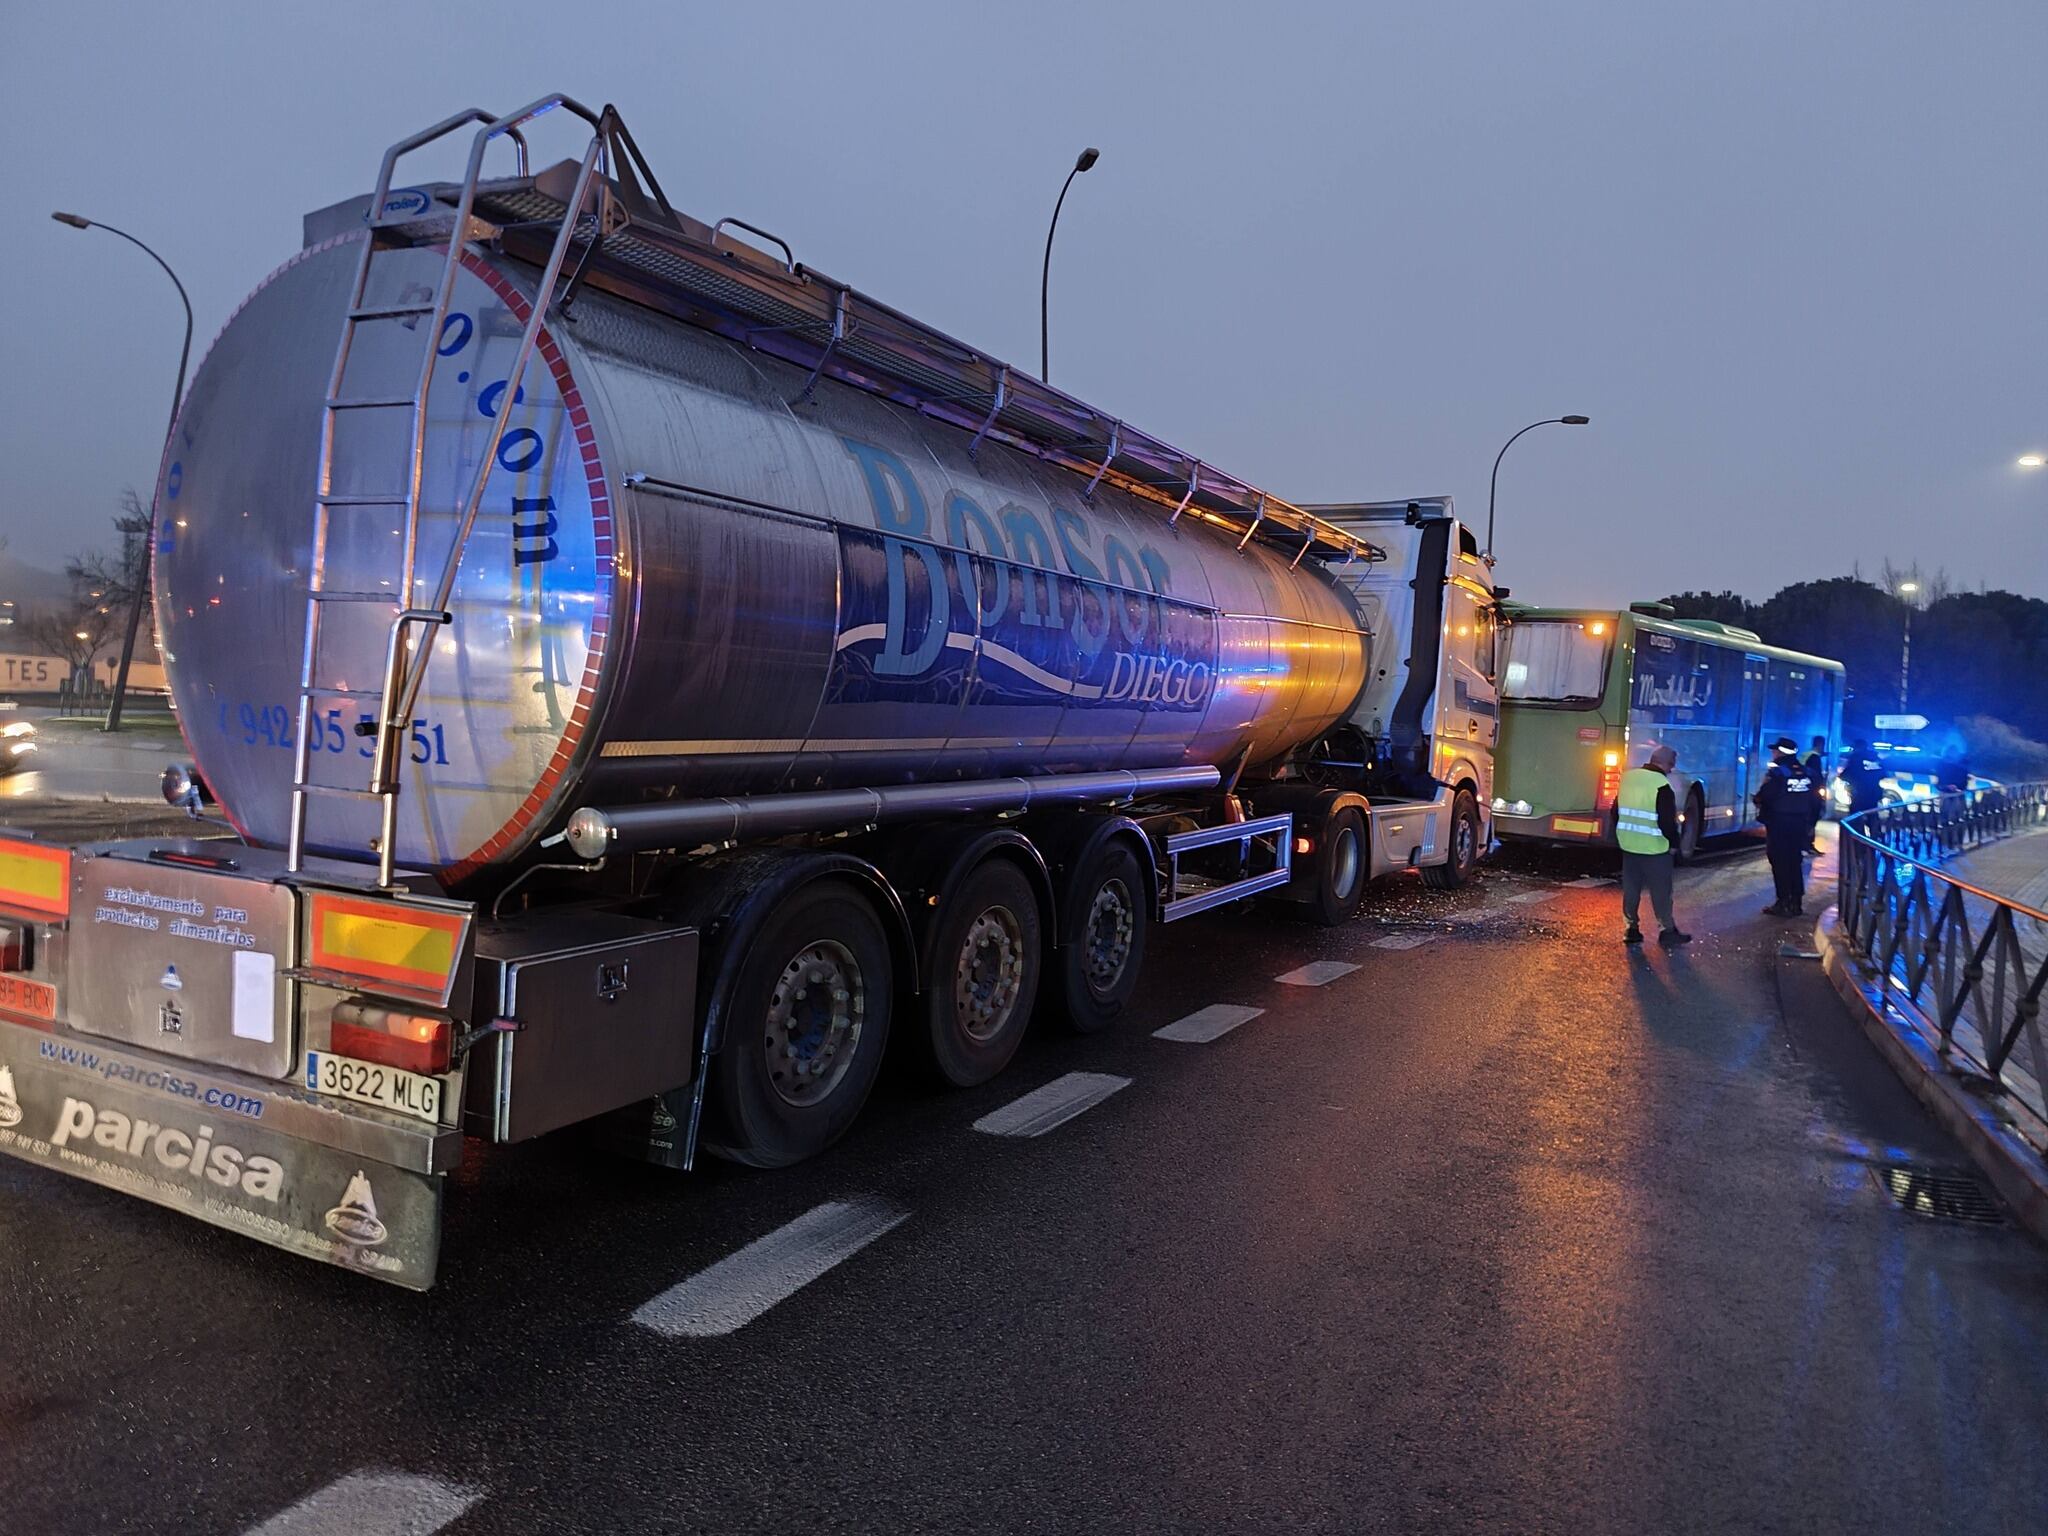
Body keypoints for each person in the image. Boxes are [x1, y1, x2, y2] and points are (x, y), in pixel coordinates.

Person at [1606, 742, 1691, 947]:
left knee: (1631, 889)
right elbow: (1666, 821)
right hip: (1655, 848)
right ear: (1664, 764)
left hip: (1629, 845)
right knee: (1661, 891)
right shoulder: (1661, 785)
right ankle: (1667, 931)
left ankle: (1631, 928)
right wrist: (1673, 843)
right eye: (1671, 765)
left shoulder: (1628, 778)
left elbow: (1615, 811)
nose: (1671, 770)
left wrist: (1625, 833)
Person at [1756, 737, 1823, 916]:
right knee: (1795, 861)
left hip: (1779, 824)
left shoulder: (1778, 773)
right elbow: (1817, 799)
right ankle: (1796, 902)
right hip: (1800, 823)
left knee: (1779, 861)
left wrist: (1759, 796)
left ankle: (1782, 901)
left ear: (1780, 752)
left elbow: (1764, 796)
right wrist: (1811, 823)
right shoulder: (1807, 772)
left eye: (1775, 750)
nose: (1773, 753)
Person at [1838, 740, 1886, 817]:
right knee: (1872, 817)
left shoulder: (1855, 757)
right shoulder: (1875, 756)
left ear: (1857, 747)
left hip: (1859, 794)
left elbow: (1846, 774)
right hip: (1873, 794)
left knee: (1855, 818)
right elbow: (1883, 774)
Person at [1803, 735, 1829, 854]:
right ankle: (1808, 845)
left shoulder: (1807, 755)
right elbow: (1816, 777)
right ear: (1820, 744)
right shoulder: (1814, 758)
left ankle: (1806, 844)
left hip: (1804, 793)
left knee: (1806, 820)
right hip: (1812, 795)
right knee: (1812, 819)